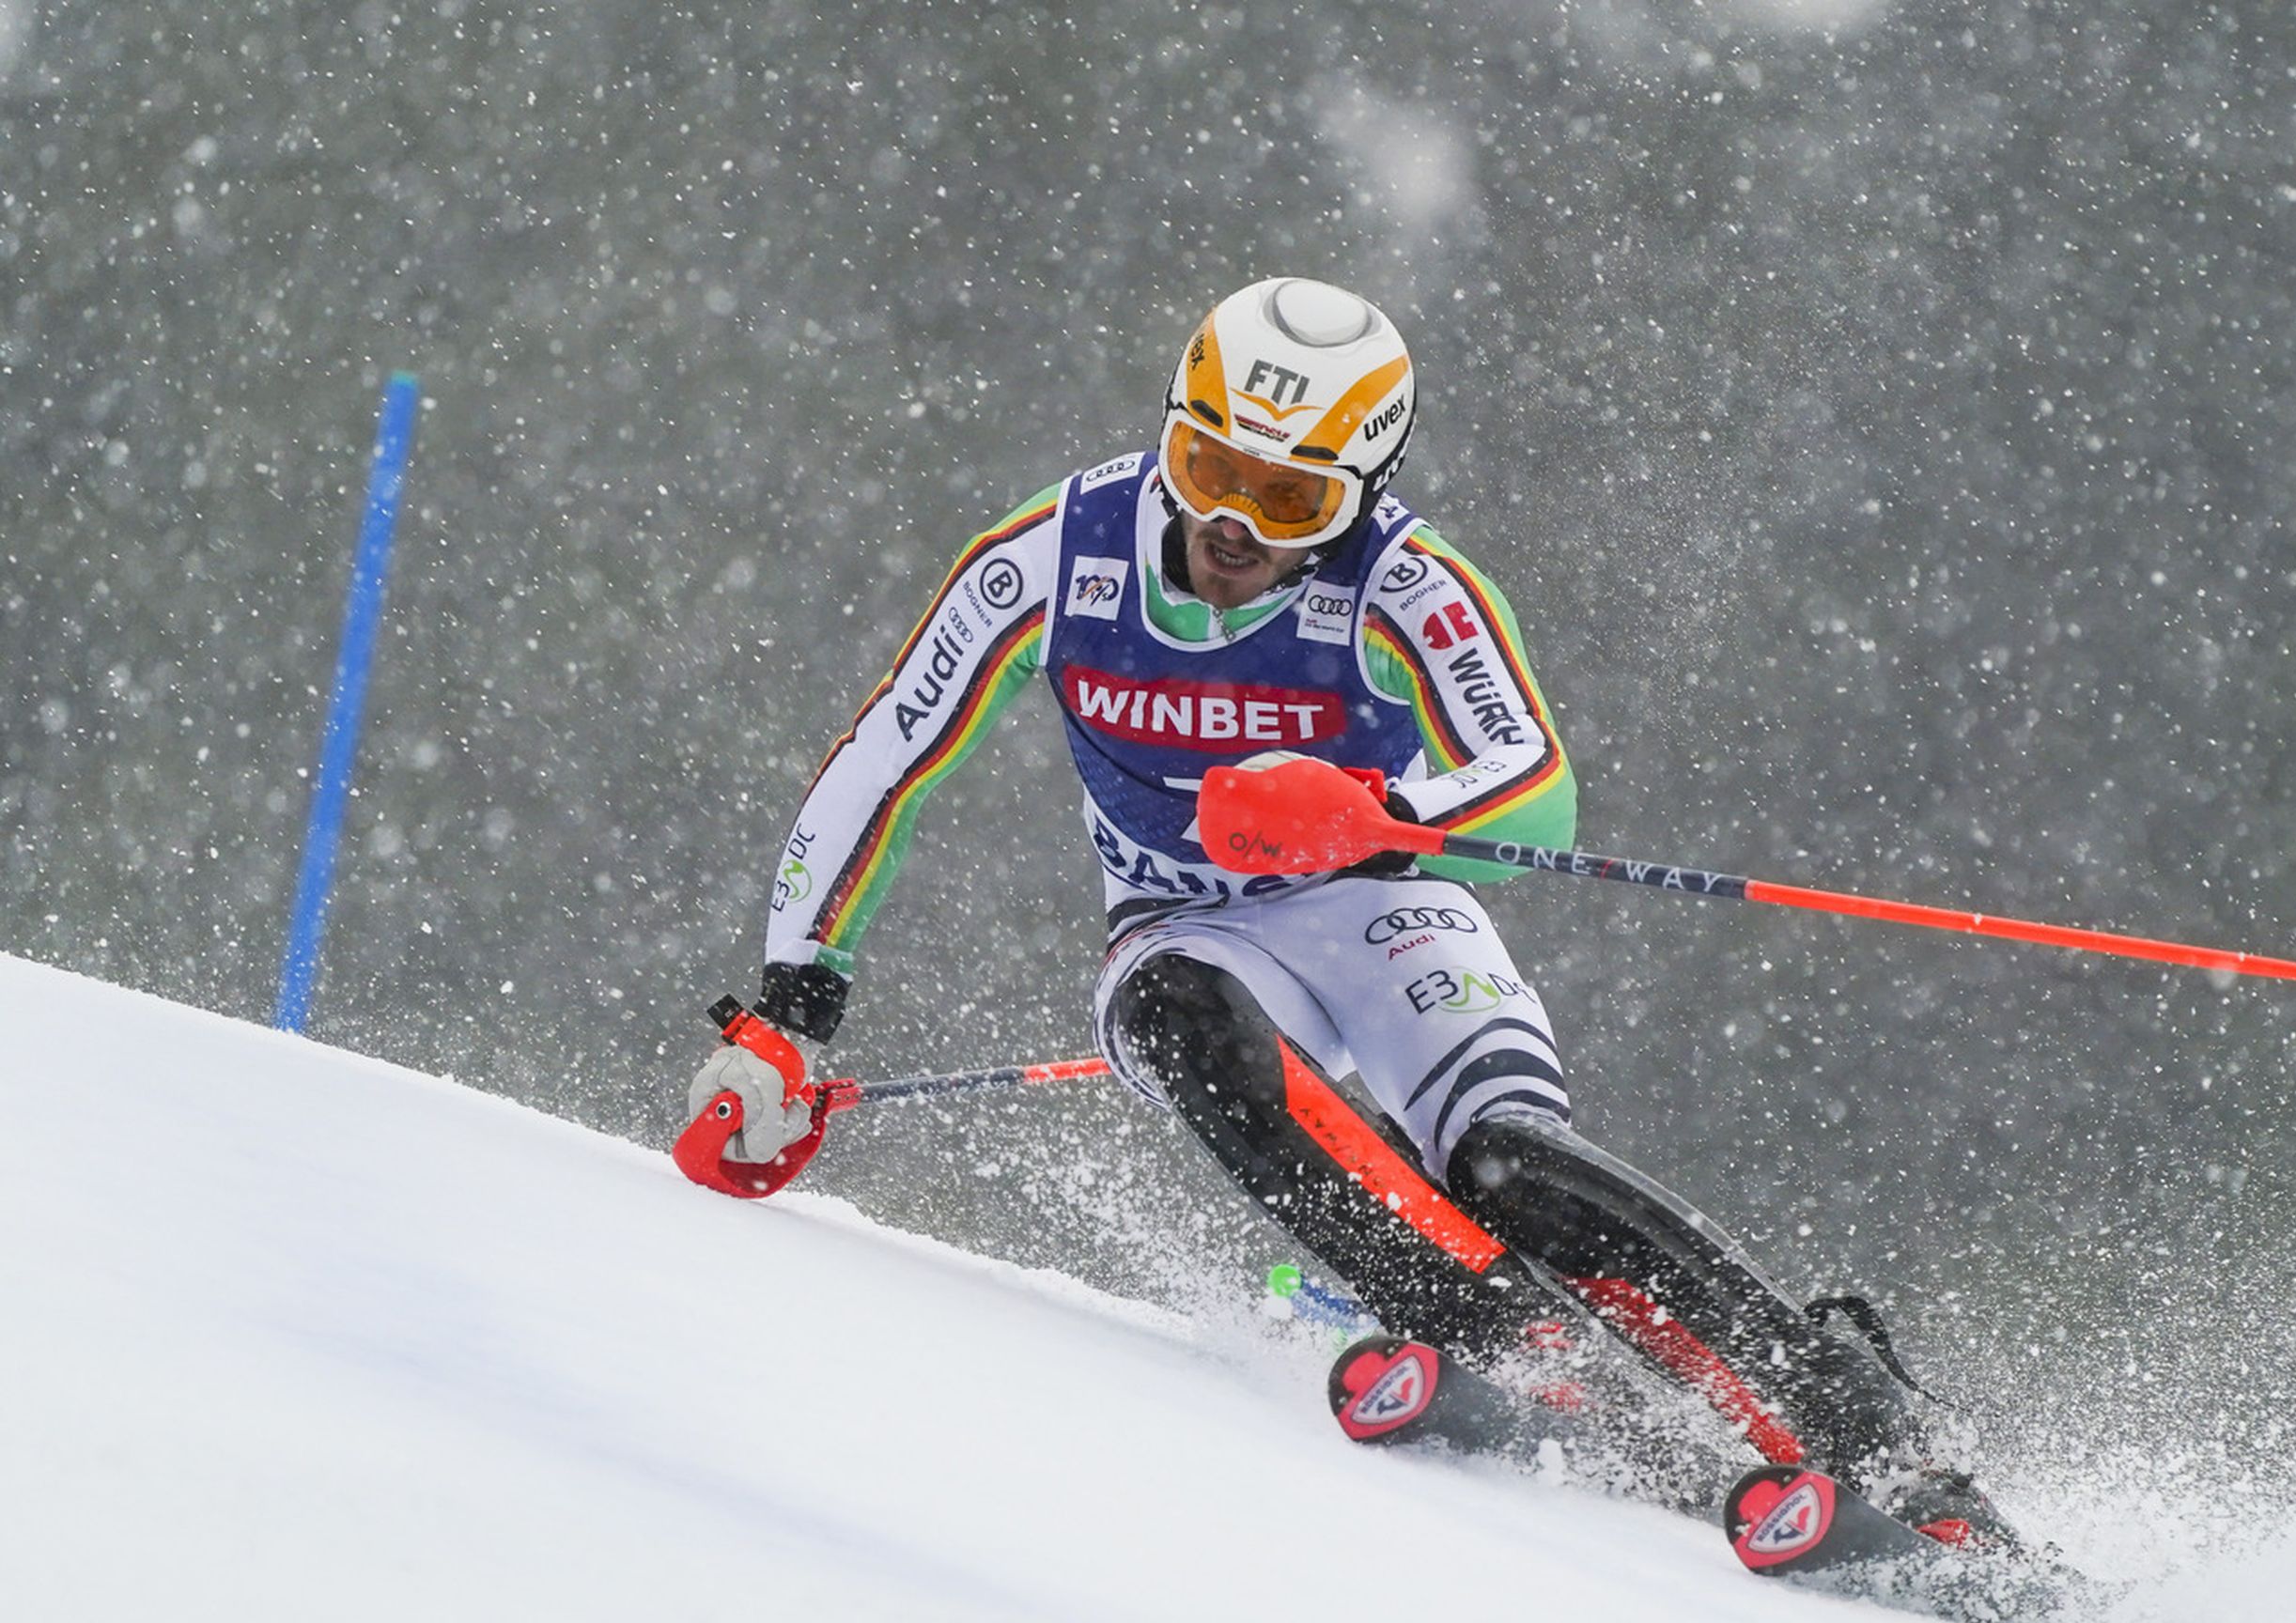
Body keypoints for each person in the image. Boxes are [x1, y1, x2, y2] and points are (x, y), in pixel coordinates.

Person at [685, 276, 2010, 1546]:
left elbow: (1536, 789)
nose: (1239, 526)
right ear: (1174, 431)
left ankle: (1863, 1428)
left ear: (1360, 488)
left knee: (1504, 1166)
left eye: (1291, 495)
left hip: (1383, 911)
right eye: (1212, 472)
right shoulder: (1051, 553)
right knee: (1178, 1016)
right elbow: (885, 760)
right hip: (1183, 922)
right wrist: (794, 1012)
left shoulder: (1403, 576)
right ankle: (1503, 1338)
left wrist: (1376, 808)